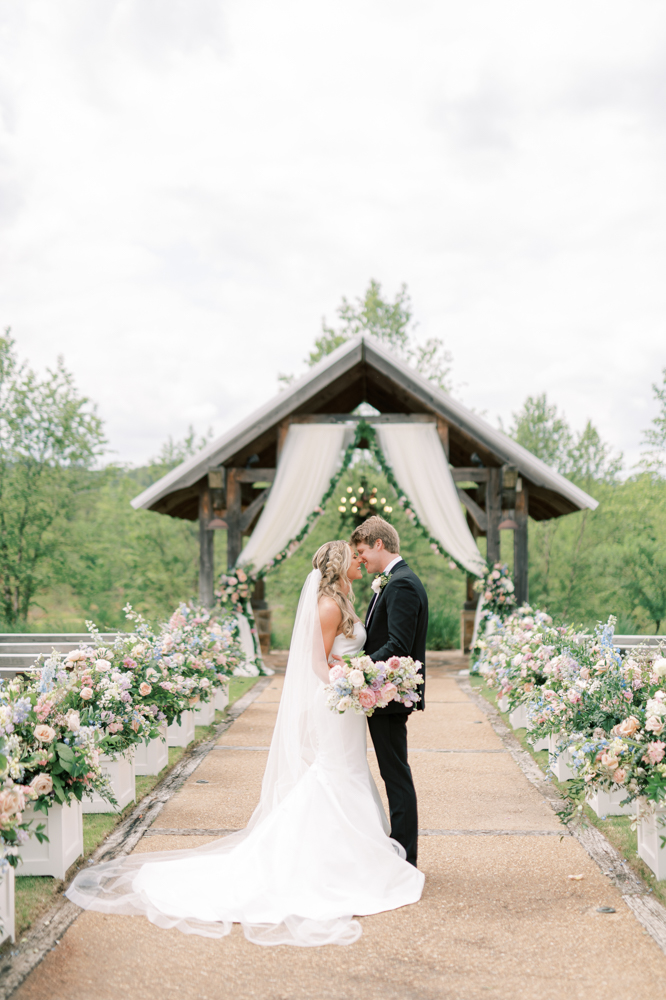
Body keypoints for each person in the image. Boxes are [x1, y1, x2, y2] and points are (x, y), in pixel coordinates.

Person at [66, 540, 423, 947]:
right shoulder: (327, 606)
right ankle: (331, 860)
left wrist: (354, 679)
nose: (360, 561)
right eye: (354, 557)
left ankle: (357, 854)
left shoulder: (344, 600)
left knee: (350, 770)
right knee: (335, 773)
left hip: (348, 705)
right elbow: (315, 664)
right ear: (340, 565)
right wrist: (345, 687)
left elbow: (341, 656)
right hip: (336, 704)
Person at [350, 517, 428, 868]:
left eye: (363, 551)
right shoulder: (394, 581)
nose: (361, 558)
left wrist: (357, 669)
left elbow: (398, 646)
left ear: (379, 544)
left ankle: (405, 858)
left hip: (389, 697)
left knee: (395, 775)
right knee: (393, 773)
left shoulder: (402, 586)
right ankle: (400, 852)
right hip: (383, 695)